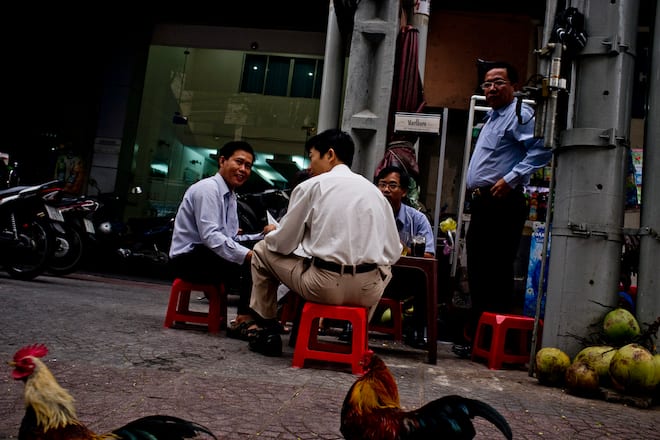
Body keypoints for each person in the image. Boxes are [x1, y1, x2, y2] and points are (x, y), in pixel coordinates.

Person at [244, 128, 403, 356]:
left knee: (261, 250)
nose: (310, 166)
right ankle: (355, 333)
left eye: (312, 156)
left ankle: (267, 329)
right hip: (367, 292)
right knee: (385, 268)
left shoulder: (312, 186)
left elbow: (283, 244)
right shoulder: (375, 192)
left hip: (323, 286)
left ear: (329, 155)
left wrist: (274, 233)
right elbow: (393, 251)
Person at [452, 61, 552, 358]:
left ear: (514, 87)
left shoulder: (520, 115)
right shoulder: (493, 117)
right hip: (484, 202)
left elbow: (542, 149)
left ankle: (495, 341)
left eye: (498, 82)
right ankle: (480, 338)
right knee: (480, 270)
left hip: (502, 202)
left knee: (495, 271)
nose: (491, 88)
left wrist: (510, 179)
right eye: (487, 84)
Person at [168, 140, 275, 339]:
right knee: (251, 259)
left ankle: (260, 316)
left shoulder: (231, 195)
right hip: (188, 258)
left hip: (206, 253)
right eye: (239, 162)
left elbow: (231, 237)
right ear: (223, 161)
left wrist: (262, 236)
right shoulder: (208, 189)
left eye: (248, 166)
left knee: (261, 247)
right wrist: (247, 254)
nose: (243, 169)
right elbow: (211, 237)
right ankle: (244, 318)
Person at [375, 165, 435, 347]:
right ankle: (350, 326)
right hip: (373, 275)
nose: (386, 189)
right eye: (382, 184)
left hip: (403, 279)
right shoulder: (369, 214)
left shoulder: (417, 219)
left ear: (403, 191)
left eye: (392, 185)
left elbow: (429, 256)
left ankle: (419, 332)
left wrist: (403, 248)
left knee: (424, 278)